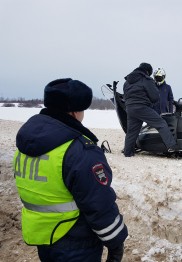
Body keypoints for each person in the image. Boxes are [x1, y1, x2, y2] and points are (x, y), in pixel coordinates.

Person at [13, 78, 128, 262]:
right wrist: (116, 243)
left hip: (42, 235)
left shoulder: (27, 143)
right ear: (75, 112)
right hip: (75, 242)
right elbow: (98, 203)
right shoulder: (79, 151)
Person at [123, 63, 177, 157]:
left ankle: (128, 152)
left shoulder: (127, 81)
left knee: (132, 131)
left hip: (130, 108)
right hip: (142, 107)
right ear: (147, 71)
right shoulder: (146, 80)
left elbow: (126, 95)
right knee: (161, 123)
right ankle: (172, 146)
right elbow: (155, 97)